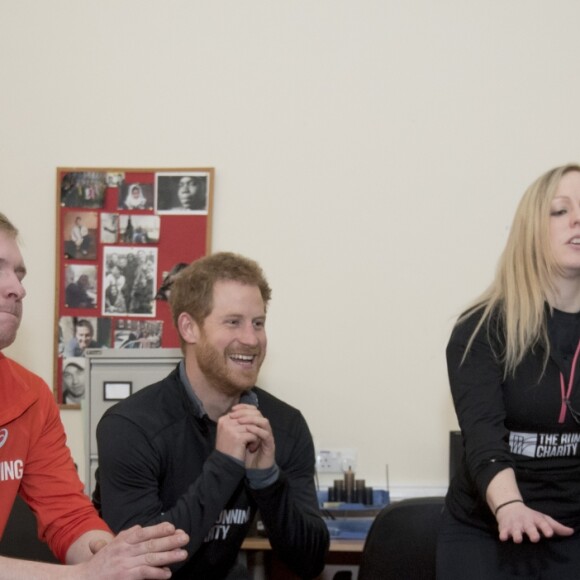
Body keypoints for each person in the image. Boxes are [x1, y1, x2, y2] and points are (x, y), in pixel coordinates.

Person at [94, 252, 329, 579]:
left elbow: (310, 560)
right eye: (233, 321)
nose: (251, 339)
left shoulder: (282, 425)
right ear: (189, 328)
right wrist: (225, 465)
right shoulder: (131, 427)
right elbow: (144, 567)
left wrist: (267, 479)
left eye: (258, 323)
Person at [0, 212, 189, 578]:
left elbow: (67, 514)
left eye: (20, 275)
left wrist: (114, 555)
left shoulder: (31, 396)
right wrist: (84, 576)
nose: (18, 289)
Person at [438, 164, 580, 579]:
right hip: (488, 529)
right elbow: (483, 439)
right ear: (530, 229)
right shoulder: (480, 330)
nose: (577, 220)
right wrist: (511, 506)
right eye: (559, 210)